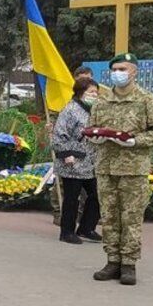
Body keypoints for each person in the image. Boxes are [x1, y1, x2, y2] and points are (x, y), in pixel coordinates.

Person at [87, 54, 153, 286]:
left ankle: (129, 264)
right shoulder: (102, 101)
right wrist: (96, 138)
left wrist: (134, 141)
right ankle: (112, 260)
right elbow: (91, 129)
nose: (117, 72)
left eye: (122, 68)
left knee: (131, 217)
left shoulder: (147, 100)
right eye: (114, 69)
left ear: (134, 72)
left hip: (133, 168)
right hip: (106, 167)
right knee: (109, 216)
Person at [51, 77, 102, 245]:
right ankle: (67, 231)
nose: (94, 95)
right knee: (72, 197)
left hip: (90, 161)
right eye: (91, 92)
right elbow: (59, 134)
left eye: (96, 92)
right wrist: (65, 153)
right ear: (81, 92)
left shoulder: (94, 109)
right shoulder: (70, 110)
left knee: (97, 194)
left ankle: (86, 227)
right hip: (72, 160)